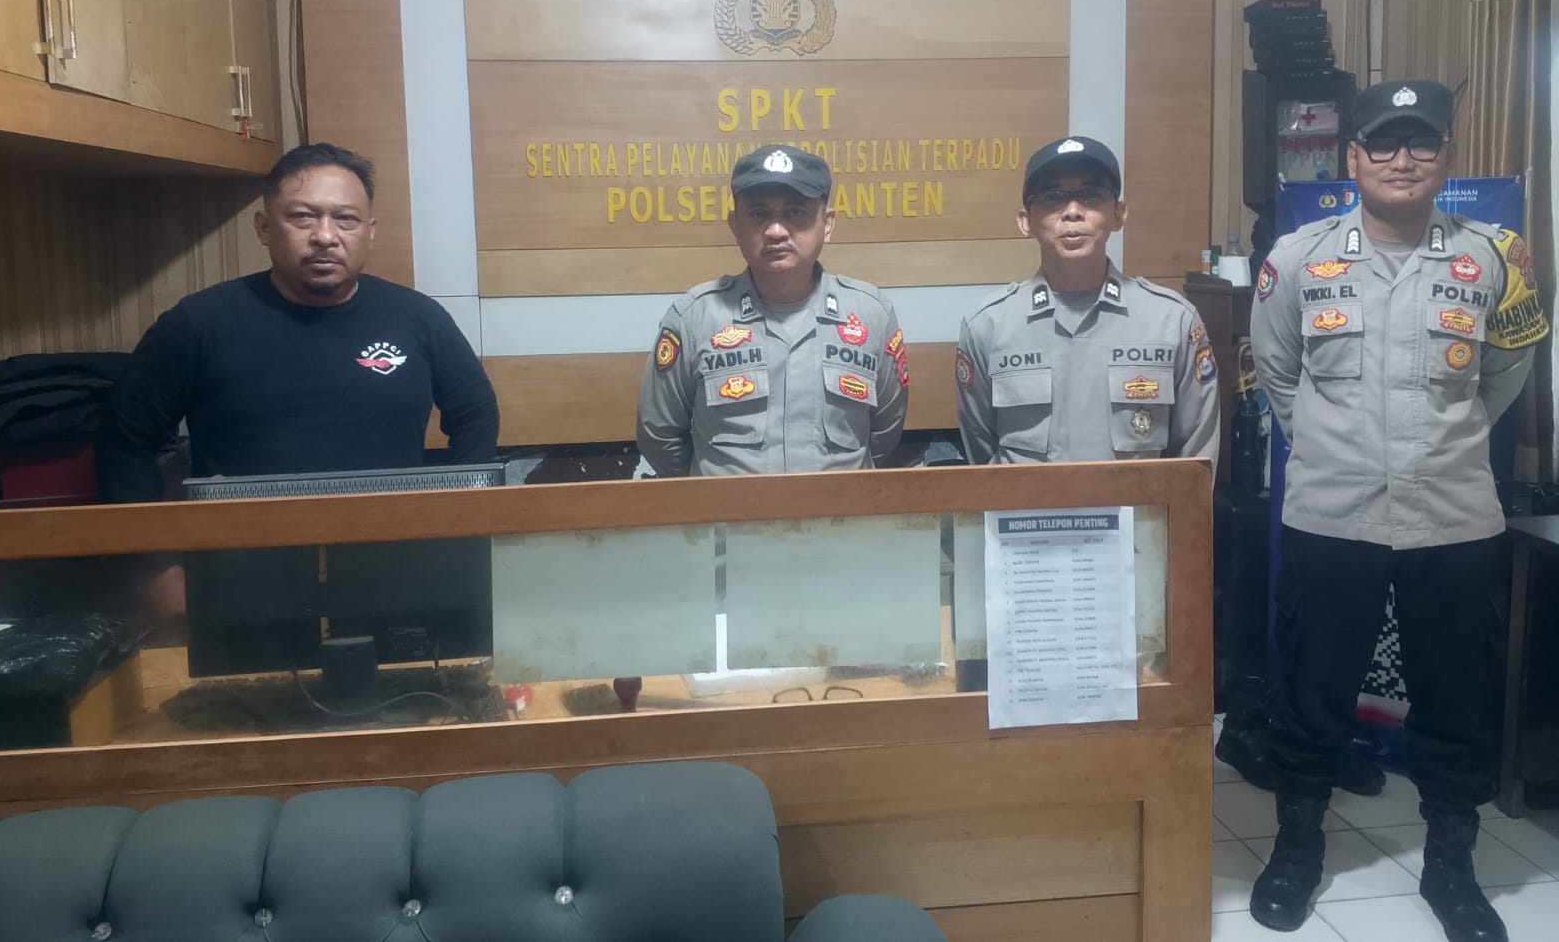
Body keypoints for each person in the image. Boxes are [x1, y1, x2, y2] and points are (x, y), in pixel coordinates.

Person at [1248, 81, 1546, 942]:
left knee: (1455, 701)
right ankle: (1297, 848)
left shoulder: (1493, 259)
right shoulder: (1297, 258)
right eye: (1384, 142)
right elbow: (1277, 372)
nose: (1402, 159)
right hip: (1331, 516)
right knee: (1312, 694)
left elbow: (1505, 375)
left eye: (1421, 143)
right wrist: (1334, 448)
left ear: (1445, 157)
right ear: (1353, 157)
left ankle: (1452, 866)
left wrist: (1443, 443)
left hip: (1452, 517)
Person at [99, 143, 500, 502]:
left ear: (370, 232)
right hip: (241, 551)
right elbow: (126, 439)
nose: (325, 236)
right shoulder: (198, 322)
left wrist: (454, 515)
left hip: (391, 546)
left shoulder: (419, 318)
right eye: (303, 217)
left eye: (346, 219)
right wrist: (151, 553)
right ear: (264, 227)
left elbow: (475, 415)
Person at [637, 144, 908, 476]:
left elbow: (884, 434)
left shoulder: (872, 315)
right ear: (735, 224)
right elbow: (659, 437)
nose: (775, 230)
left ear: (827, 223)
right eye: (758, 214)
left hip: (839, 509)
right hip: (729, 511)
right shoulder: (694, 318)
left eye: (795, 212)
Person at [954, 136, 1219, 466]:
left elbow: (1194, 463)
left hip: (1137, 503)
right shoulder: (988, 327)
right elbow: (982, 458)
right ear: (1026, 221)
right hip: (1026, 503)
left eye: (1091, 196)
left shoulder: (1172, 321)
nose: (1073, 212)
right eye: (1053, 198)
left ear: (1118, 214)